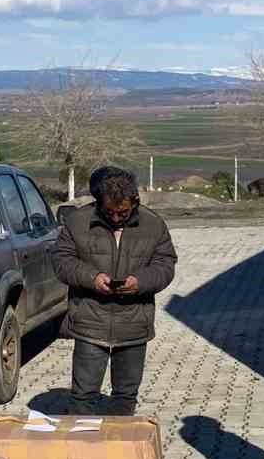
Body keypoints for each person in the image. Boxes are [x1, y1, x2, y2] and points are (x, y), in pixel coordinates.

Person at [52, 167, 177, 415]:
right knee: (83, 397)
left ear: (135, 202)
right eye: (110, 212)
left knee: (125, 397)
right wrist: (92, 278)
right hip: (89, 321)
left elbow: (165, 265)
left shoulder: (153, 224)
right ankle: (81, 450)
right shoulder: (77, 222)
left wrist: (140, 281)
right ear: (99, 203)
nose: (117, 218)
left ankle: (119, 447)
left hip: (134, 323)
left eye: (123, 212)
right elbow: (61, 260)